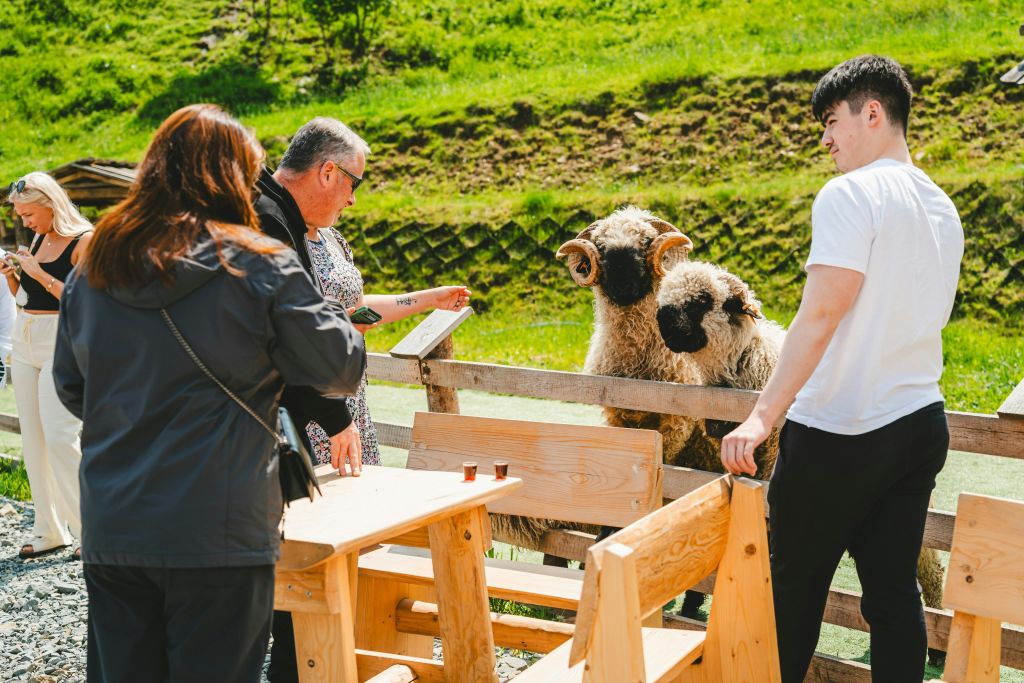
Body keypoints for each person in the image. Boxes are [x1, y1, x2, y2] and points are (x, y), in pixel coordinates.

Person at [51, 104, 365, 682]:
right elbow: (339, 368)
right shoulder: (259, 264)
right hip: (220, 524)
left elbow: (73, 388)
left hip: (115, 520)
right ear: (232, 179)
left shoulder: (94, 265)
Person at [720, 55, 964, 682]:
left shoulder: (850, 193)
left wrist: (760, 415)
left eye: (831, 121)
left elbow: (823, 311)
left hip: (840, 432)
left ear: (873, 113)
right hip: (918, 424)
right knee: (892, 597)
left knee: (790, 595)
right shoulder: (942, 207)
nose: (825, 139)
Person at [259, 116, 470, 683]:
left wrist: (428, 299)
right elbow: (293, 334)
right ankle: (312, 652)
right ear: (327, 171)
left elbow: (353, 314)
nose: (354, 199)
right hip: (309, 396)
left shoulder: (321, 231)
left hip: (334, 387)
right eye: (355, 183)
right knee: (314, 529)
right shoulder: (278, 226)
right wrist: (333, 411)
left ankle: (343, 646)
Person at [3, 172, 92, 560]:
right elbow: (28, 297)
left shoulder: (84, 240)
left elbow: (88, 300)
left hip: (61, 340)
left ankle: (91, 530)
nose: (24, 222)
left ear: (49, 203)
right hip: (26, 336)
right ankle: (49, 528)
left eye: (26, 214)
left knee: (60, 437)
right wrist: (15, 280)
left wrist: (38, 273)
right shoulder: (38, 238)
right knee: (33, 440)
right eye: (20, 216)